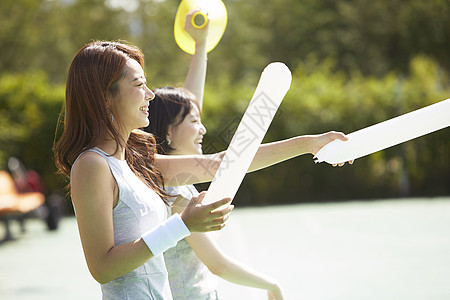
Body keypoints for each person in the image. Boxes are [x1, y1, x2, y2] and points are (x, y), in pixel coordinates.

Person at [54, 39, 350, 300]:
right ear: (105, 97)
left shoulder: (135, 162)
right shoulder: (92, 165)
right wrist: (182, 225)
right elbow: (103, 268)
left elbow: (223, 164)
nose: (150, 95)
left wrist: (310, 144)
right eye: (138, 85)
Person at [143, 11, 352, 300]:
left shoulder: (169, 177)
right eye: (194, 122)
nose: (202, 128)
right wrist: (271, 285)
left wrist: (201, 45)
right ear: (168, 133)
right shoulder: (172, 194)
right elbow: (218, 264)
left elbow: (186, 104)